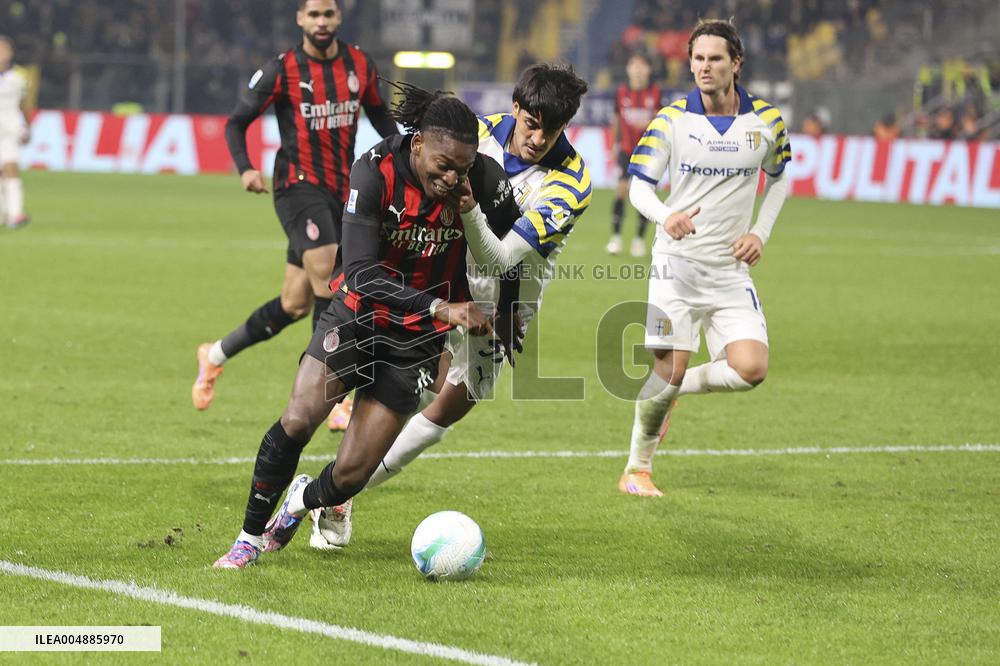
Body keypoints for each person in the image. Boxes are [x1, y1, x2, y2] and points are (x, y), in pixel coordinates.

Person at [213, 83, 521, 569]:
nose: (453, 178)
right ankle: (248, 538)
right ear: (417, 144)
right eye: (444, 165)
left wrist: (508, 311)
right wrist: (444, 309)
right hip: (359, 312)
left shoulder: (482, 179)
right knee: (299, 418)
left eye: (463, 168)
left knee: (351, 475)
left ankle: (298, 503)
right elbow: (360, 272)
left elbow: (512, 251)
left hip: (416, 339)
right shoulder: (374, 170)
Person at [307, 63, 592, 551]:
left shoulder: (572, 181)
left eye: (555, 128)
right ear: (517, 108)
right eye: (532, 124)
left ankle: (342, 486)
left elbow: (501, 257)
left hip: (507, 300)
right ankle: (337, 492)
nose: (539, 138)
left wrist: (501, 303)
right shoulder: (474, 133)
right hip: (440, 279)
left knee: (451, 408)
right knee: (409, 388)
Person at [192, 0, 398, 431]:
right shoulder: (280, 70)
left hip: (342, 188)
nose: (322, 22)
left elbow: (382, 118)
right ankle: (331, 394)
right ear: (300, 19)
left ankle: (213, 356)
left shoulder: (359, 63)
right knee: (328, 273)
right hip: (296, 186)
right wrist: (245, 167)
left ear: (339, 18)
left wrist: (405, 160)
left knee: (294, 304)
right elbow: (237, 122)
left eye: (329, 14)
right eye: (314, 15)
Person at [618, 18, 791, 497]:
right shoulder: (671, 120)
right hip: (675, 265)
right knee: (666, 365)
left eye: (715, 58)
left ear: (736, 63)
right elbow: (639, 188)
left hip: (730, 271)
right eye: (698, 58)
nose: (704, 67)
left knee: (750, 370)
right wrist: (665, 215)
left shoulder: (767, 122)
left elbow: (780, 178)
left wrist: (760, 231)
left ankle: (675, 389)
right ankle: (637, 469)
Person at [606, 51, 662, 257]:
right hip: (627, 150)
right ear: (628, 69)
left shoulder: (655, 92)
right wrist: (614, 146)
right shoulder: (621, 92)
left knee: (645, 193)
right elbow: (617, 120)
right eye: (633, 65)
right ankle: (616, 238)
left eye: (641, 66)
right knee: (621, 189)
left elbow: (659, 120)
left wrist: (647, 124)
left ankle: (639, 240)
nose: (637, 70)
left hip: (647, 151)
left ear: (648, 70)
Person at [0, 36, 31, 229]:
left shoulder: (18, 78)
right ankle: (5, 213)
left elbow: (23, 104)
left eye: (4, 49)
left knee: (11, 168)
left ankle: (15, 214)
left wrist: (27, 126)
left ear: (11, 52)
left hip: (9, 131)